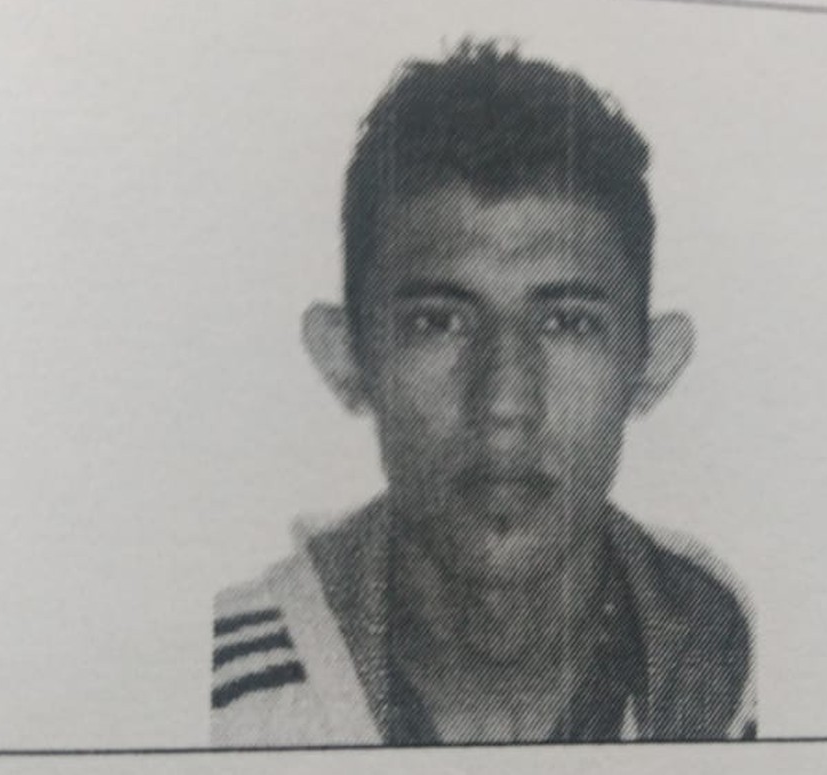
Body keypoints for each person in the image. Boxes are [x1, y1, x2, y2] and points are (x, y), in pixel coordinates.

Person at [211, 40, 755, 746]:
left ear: (651, 362)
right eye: (438, 322)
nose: (504, 404)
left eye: (567, 322)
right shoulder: (217, 703)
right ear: (345, 355)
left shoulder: (758, 674)